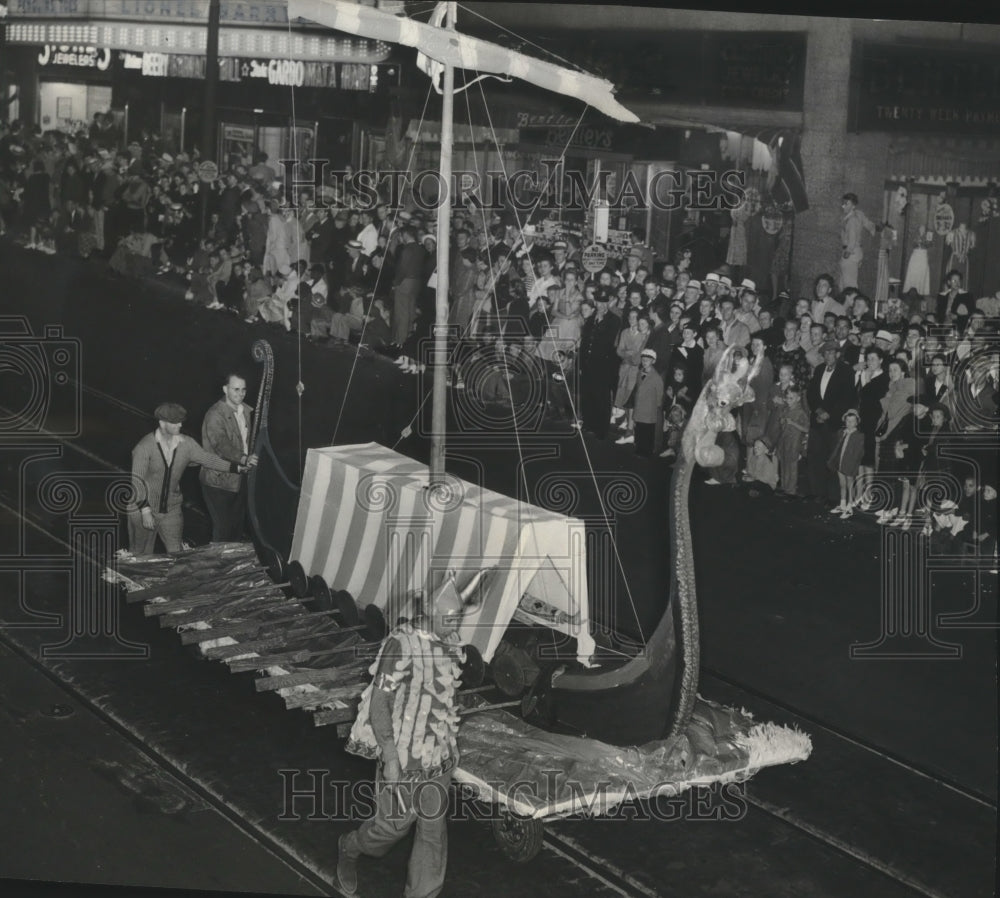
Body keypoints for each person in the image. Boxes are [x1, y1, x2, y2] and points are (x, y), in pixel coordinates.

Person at [338, 574, 471, 898]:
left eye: (457, 618)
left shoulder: (451, 640)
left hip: (438, 760)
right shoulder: (400, 645)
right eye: (447, 619)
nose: (453, 626)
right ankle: (350, 847)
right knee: (389, 830)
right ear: (427, 613)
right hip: (402, 758)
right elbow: (379, 702)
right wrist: (390, 757)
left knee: (432, 835)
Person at [128, 403, 255, 556]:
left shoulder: (186, 444)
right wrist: (145, 510)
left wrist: (236, 468)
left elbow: (207, 459)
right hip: (141, 507)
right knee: (140, 554)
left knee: (177, 554)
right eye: (175, 422)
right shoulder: (144, 447)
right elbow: (137, 481)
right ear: (162, 423)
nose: (180, 425)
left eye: (181, 421)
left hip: (171, 508)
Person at [200, 374, 257, 542]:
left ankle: (231, 563)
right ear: (225, 389)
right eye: (236, 389)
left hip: (239, 478)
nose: (240, 393)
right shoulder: (215, 415)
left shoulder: (245, 411)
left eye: (243, 389)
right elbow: (221, 444)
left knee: (236, 527)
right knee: (223, 530)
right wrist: (244, 458)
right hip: (218, 481)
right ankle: (218, 566)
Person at [828, 409, 865, 517]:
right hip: (840, 462)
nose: (849, 423)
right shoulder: (841, 432)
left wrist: (854, 465)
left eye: (852, 421)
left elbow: (859, 453)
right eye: (848, 421)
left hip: (850, 464)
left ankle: (850, 507)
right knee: (842, 484)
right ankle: (842, 504)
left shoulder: (859, 435)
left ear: (857, 422)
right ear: (844, 421)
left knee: (850, 485)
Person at [839, 193, 877, 291]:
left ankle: (850, 304)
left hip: (851, 252)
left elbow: (852, 237)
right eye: (843, 203)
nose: (843, 206)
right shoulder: (859, 214)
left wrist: (848, 251)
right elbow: (869, 225)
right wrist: (874, 228)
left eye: (846, 204)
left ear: (853, 206)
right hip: (856, 252)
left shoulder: (851, 220)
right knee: (845, 282)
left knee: (848, 285)